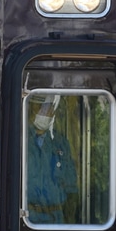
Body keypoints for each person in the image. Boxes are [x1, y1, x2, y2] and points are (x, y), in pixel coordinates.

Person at [26, 95, 77, 223]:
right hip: (27, 216)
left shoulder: (60, 143)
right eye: (41, 108)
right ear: (32, 109)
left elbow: (70, 185)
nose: (46, 113)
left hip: (55, 217)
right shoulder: (21, 141)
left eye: (49, 109)